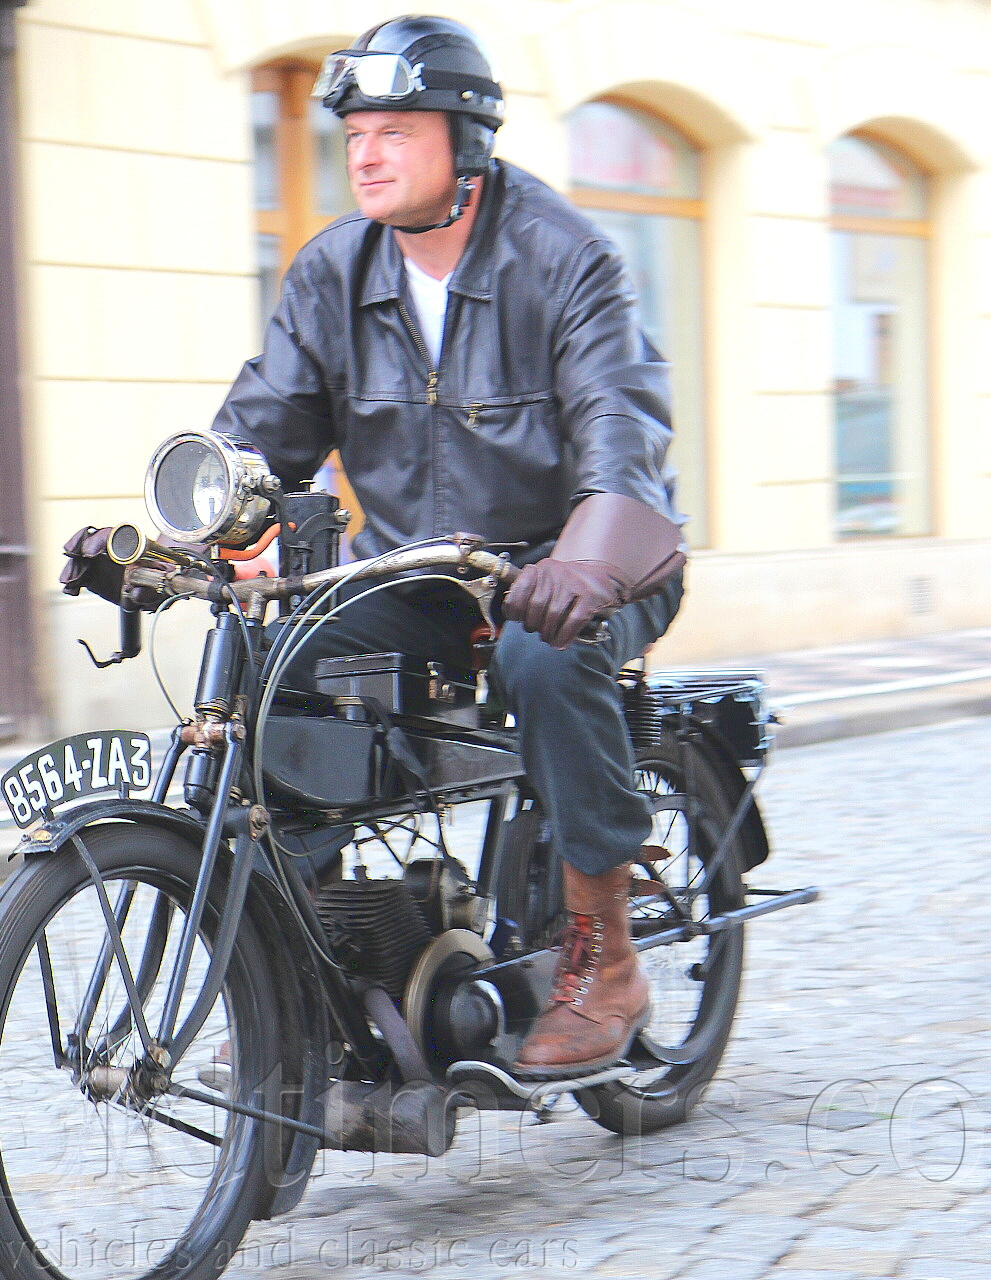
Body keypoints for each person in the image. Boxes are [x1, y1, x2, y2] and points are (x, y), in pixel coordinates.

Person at [208, 15, 688, 1080]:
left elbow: (620, 424)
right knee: (273, 667)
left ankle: (605, 959)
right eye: (354, 136)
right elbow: (263, 434)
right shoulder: (333, 272)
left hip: (580, 565)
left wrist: (586, 558)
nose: (365, 156)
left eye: (395, 132)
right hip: (418, 575)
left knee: (544, 657)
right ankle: (313, 959)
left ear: (464, 143)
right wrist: (190, 528)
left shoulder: (564, 257)